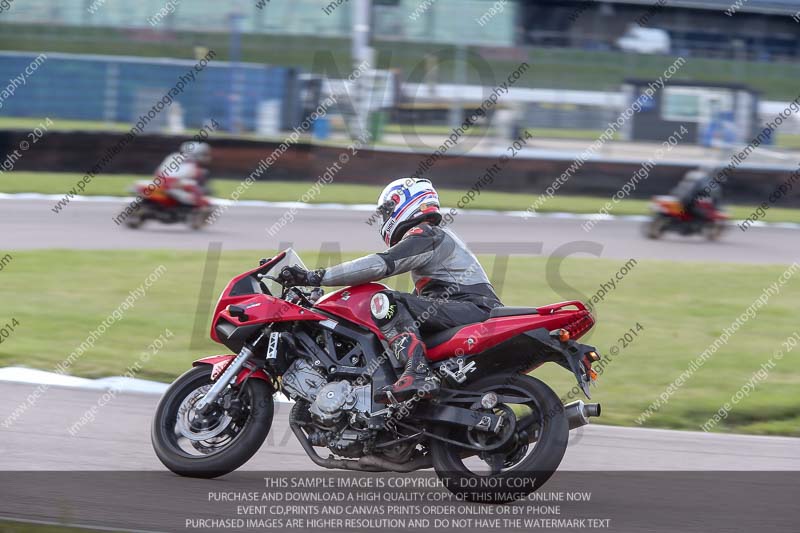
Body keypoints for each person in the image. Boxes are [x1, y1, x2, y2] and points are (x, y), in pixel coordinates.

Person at [280, 178, 502, 404]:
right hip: (467, 308)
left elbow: (380, 265)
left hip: (474, 308)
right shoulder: (435, 237)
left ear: (403, 202)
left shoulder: (427, 233)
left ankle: (417, 373)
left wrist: (316, 276)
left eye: (387, 210)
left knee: (384, 301)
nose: (385, 218)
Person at [154, 141, 212, 207]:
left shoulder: (173, 156)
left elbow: (158, 171)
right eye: (204, 154)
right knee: (195, 187)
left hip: (159, 181)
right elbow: (195, 175)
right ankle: (200, 207)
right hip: (172, 183)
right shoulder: (191, 163)